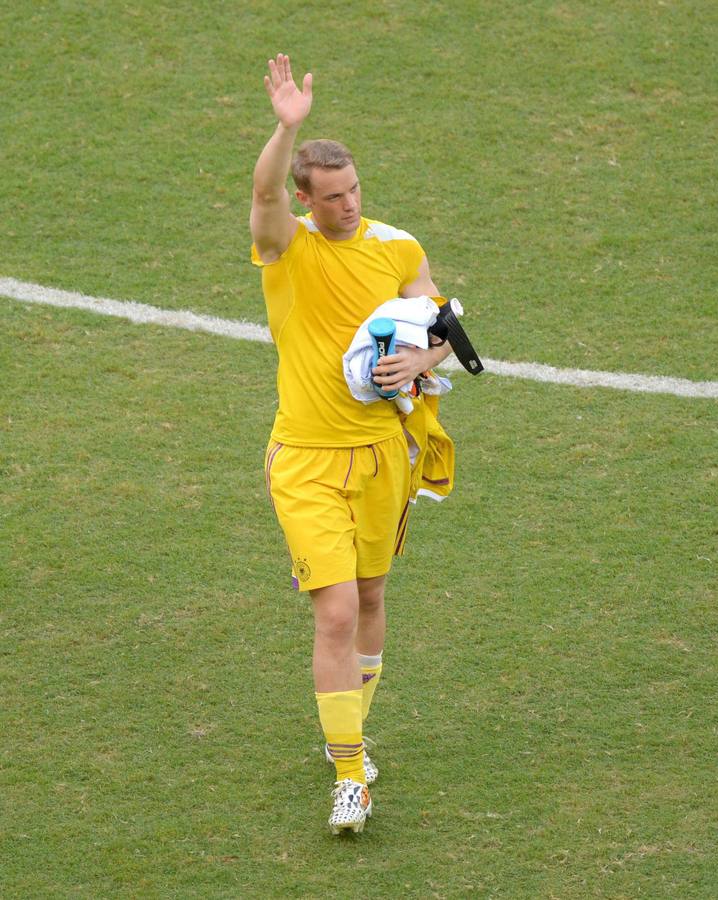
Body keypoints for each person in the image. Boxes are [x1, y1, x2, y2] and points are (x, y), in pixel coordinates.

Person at [249, 53, 452, 834]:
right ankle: (348, 777)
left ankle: (349, 737)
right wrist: (285, 129)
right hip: (305, 459)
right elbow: (263, 195)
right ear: (306, 199)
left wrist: (422, 362)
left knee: (369, 598)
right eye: (331, 196)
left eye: (354, 190)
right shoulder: (287, 247)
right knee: (333, 613)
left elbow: (445, 328)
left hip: (382, 456)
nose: (347, 205)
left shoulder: (397, 248)